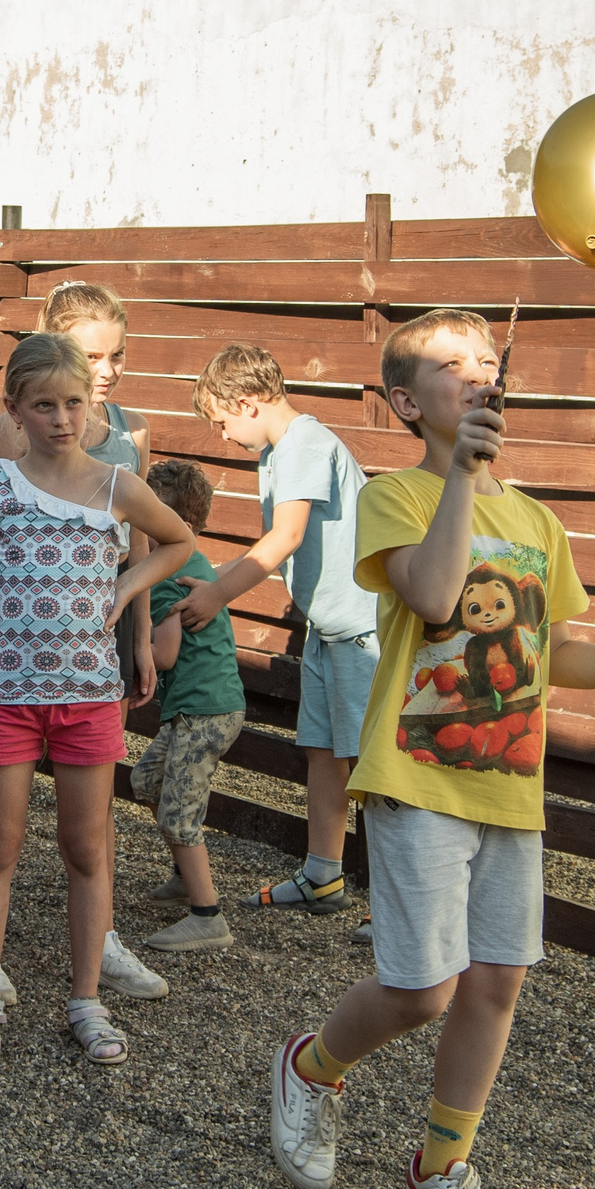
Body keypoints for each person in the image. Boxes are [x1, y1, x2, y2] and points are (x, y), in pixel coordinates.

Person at [266, 309, 595, 1189]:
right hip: (418, 774)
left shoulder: (538, 520)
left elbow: (546, 649)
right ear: (405, 403)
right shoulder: (397, 496)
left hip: (510, 783)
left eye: (488, 362)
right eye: (450, 364)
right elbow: (429, 596)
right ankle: (312, 1064)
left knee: (497, 979)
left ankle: (438, 1171)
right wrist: (460, 473)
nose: (478, 373)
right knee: (423, 987)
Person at [0, 332, 194, 1070]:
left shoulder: (117, 485)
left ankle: (85, 998)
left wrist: (128, 587)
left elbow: (178, 542)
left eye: (74, 402)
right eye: (43, 404)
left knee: (86, 845)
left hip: (88, 696)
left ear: (91, 402)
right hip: (7, 690)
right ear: (14, 408)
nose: (61, 417)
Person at [185, 341, 381, 923]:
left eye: (221, 422)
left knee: (376, 766)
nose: (222, 436)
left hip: (362, 630)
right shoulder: (280, 452)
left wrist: (217, 592)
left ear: (246, 403)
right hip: (329, 630)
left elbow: (286, 536)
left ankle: (403, 902)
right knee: (323, 752)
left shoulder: (303, 446)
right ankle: (323, 875)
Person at [0, 280, 155, 709]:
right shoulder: (14, 427)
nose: (108, 370)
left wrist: (142, 635)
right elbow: (2, 523)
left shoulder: (133, 431)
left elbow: (139, 539)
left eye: (118, 355)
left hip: (110, 603)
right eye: (93, 356)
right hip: (38, 601)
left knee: (98, 739)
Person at [133, 460, 247, 954]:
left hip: (205, 710)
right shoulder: (194, 562)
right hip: (198, 708)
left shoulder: (168, 575)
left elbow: (164, 654)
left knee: (178, 813)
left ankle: (207, 916)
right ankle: (185, 875)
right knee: (147, 782)